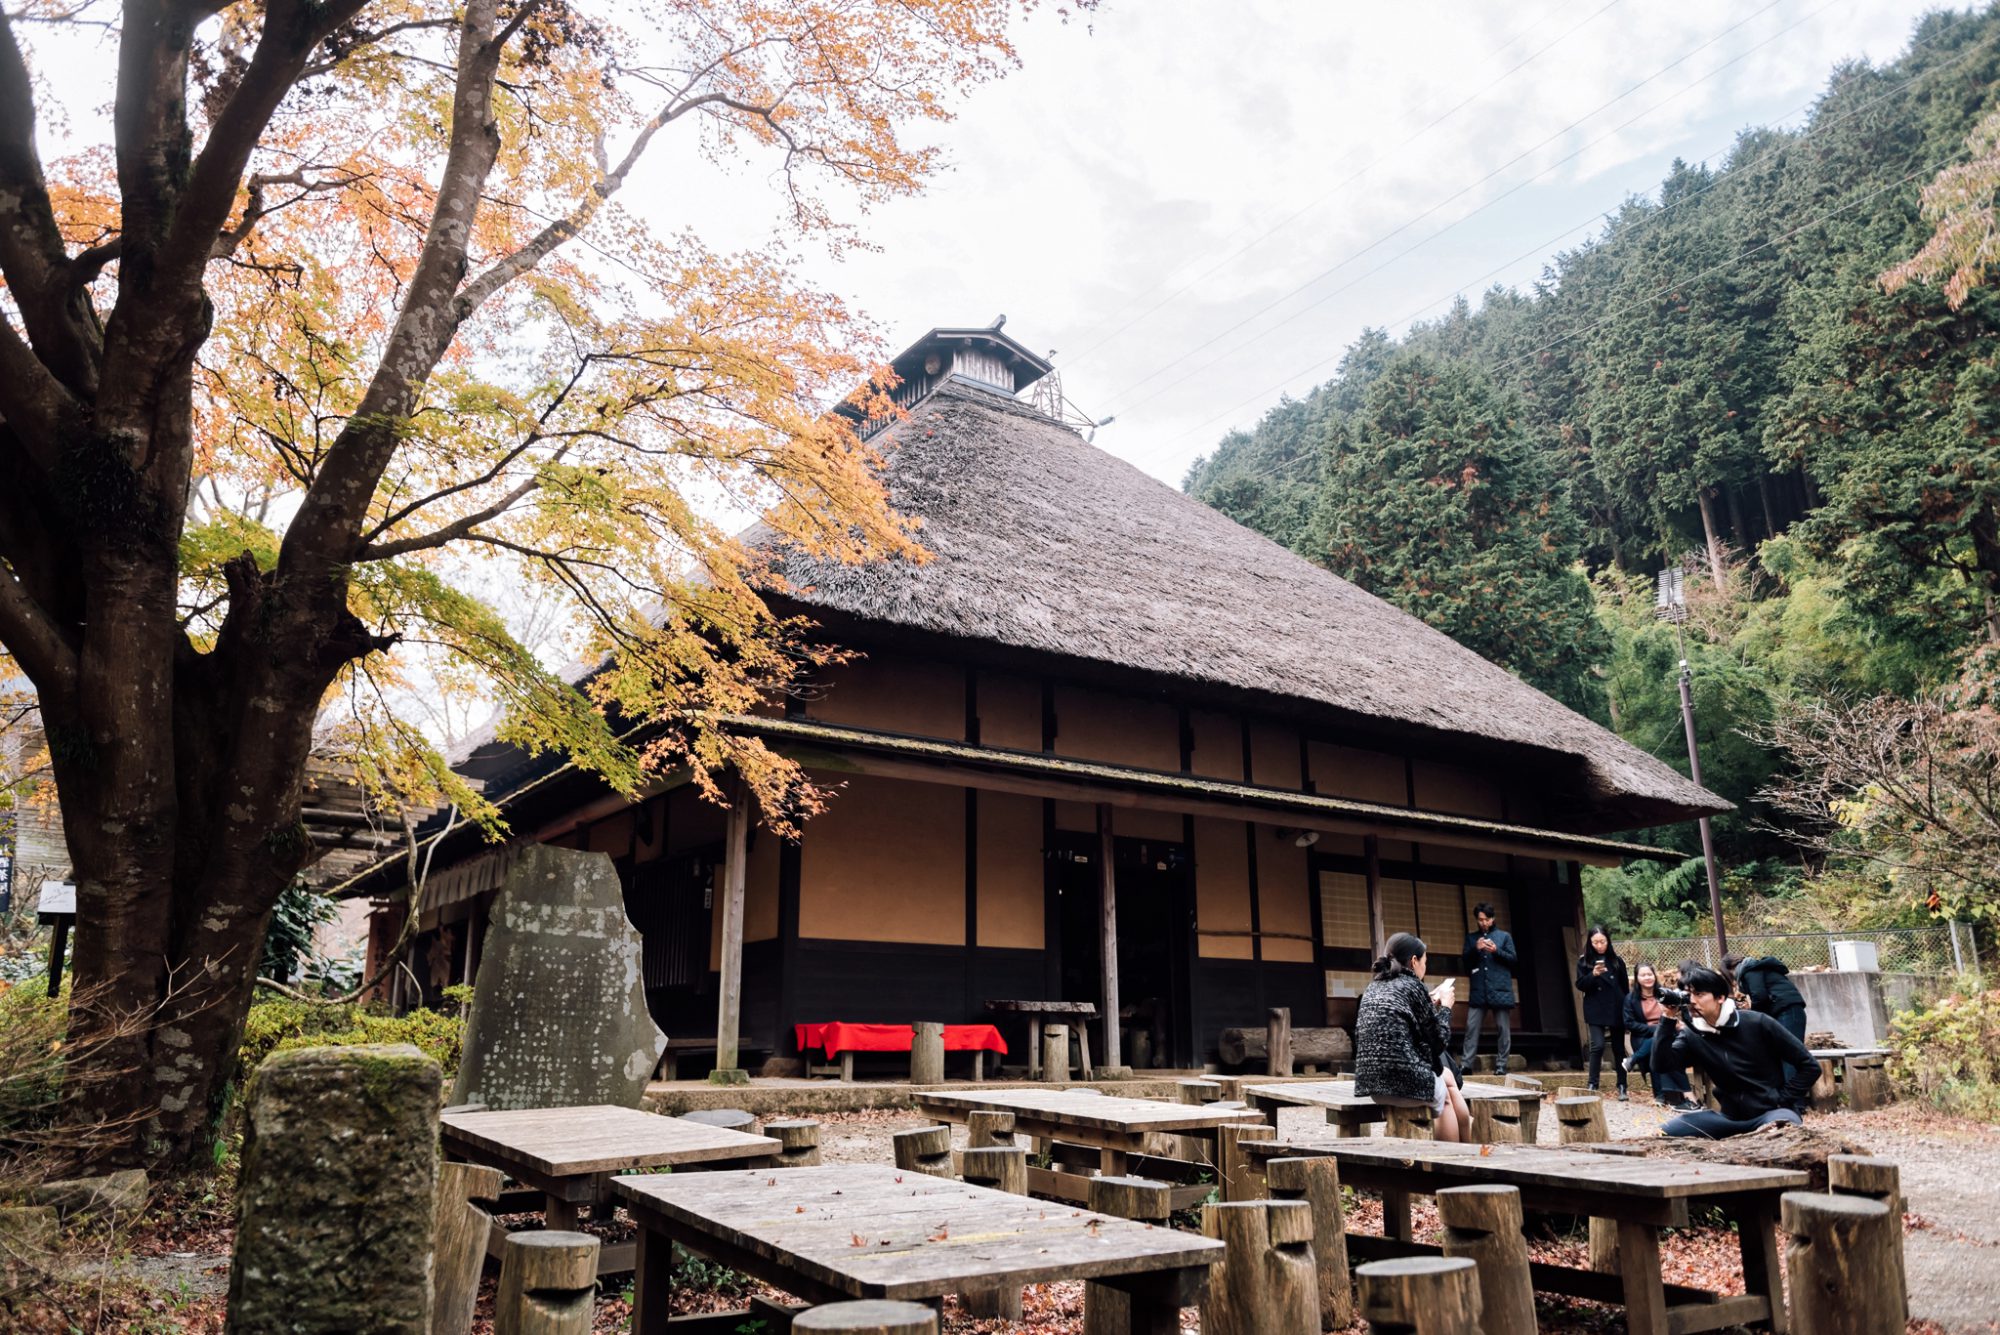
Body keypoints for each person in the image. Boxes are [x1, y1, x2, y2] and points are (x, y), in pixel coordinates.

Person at [1651, 961, 1820, 1137]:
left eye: (1699, 994)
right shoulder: (1692, 1034)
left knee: (1786, 1129)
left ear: (1720, 997)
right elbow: (1661, 1065)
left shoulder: (1757, 1022)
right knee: (1664, 1133)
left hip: (1770, 1114)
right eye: (1688, 995)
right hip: (1729, 1119)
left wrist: (1782, 1100)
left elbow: (1809, 1065)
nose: (1692, 1001)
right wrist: (1667, 1019)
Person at [1354, 932, 1474, 1142]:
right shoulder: (1412, 985)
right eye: (1425, 962)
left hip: (1372, 1084)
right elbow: (1438, 1042)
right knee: (1445, 1096)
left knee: (1446, 1077)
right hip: (1403, 1083)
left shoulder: (1373, 986)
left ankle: (1468, 1136)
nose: (1424, 968)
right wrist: (1445, 1008)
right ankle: (1455, 1154)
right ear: (1414, 961)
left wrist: (1428, 1003)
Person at [1622, 962, 1694, 1109]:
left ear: (1655, 976)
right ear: (1637, 978)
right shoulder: (1630, 999)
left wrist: (1669, 1026)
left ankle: (1634, 1062)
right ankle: (1663, 1094)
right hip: (1643, 1035)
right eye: (1643, 975)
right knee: (1658, 1041)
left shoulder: (1664, 993)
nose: (1647, 977)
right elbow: (1629, 1023)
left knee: (1661, 1042)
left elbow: (1680, 1012)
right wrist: (1656, 1029)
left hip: (1669, 1030)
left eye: (1650, 974)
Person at [1459, 902, 1518, 1077]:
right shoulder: (1471, 938)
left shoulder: (1504, 936)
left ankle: (1501, 1065)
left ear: (1492, 918)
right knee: (1471, 1027)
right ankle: (1466, 1065)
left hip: (1500, 988)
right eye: (1480, 920)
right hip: (1479, 989)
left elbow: (1513, 960)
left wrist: (1496, 950)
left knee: (1503, 1028)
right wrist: (1475, 950)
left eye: (1486, 919)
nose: (1483, 923)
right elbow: (1466, 963)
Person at [1575, 925, 1629, 1099]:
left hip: (1616, 1005)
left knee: (1619, 1048)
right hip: (1595, 1006)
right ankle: (1592, 1083)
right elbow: (1580, 985)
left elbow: (1625, 987)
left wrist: (1627, 1010)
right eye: (1595, 942)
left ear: (1608, 941)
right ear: (1590, 943)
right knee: (1597, 1045)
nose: (1599, 945)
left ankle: (1622, 1085)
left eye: (1602, 941)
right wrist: (1593, 974)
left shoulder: (1617, 961)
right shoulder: (1584, 961)